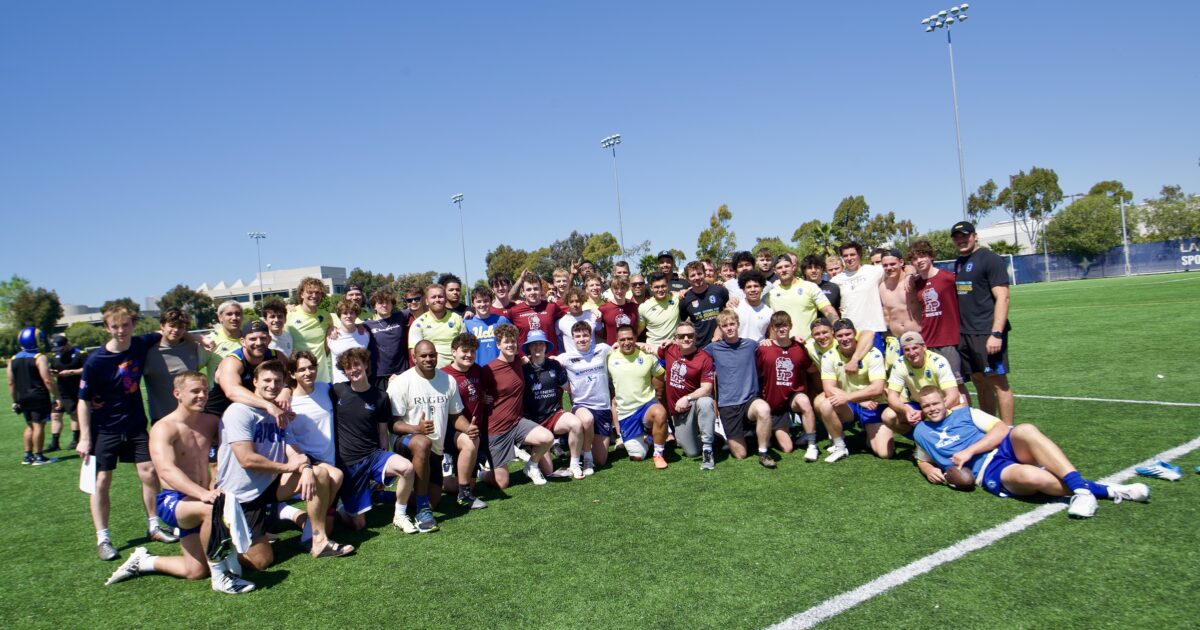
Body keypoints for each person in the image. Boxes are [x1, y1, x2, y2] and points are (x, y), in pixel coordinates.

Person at [104, 371, 256, 594]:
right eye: (195, 391)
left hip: (201, 496)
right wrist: (202, 494)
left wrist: (214, 482)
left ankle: (144, 562)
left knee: (194, 570)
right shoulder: (164, 428)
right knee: (212, 510)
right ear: (177, 394)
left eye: (204, 391)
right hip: (173, 501)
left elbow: (223, 455)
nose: (202, 396)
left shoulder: (211, 422)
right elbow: (166, 470)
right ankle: (222, 577)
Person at [911, 387, 1149, 518]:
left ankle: (1080, 489)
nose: (932, 409)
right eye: (926, 406)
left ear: (945, 401)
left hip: (1002, 447)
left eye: (935, 403)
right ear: (921, 409)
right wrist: (928, 468)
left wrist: (968, 451)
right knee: (1034, 477)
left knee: (1025, 430)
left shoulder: (966, 413)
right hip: (989, 470)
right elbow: (922, 458)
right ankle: (1106, 490)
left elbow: (1002, 429)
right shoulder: (921, 432)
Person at [217, 360, 352, 565]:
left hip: (269, 484)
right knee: (262, 562)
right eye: (267, 380)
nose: (272, 385)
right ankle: (225, 538)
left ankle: (316, 539)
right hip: (242, 495)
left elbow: (292, 448)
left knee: (324, 473)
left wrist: (305, 467)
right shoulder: (239, 411)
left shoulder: (278, 413)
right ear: (254, 381)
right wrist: (288, 467)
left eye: (277, 381)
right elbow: (246, 459)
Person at [77, 306, 177, 561]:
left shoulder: (140, 344)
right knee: (101, 483)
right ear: (107, 328)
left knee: (150, 473)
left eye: (125, 326)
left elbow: (166, 332)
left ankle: (154, 525)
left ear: (133, 325)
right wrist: (85, 437)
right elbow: (83, 400)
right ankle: (103, 538)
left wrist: (197, 337)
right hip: (105, 430)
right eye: (115, 326)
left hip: (135, 426)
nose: (121, 331)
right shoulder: (96, 361)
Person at [387, 341, 470, 532]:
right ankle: (422, 510)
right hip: (407, 443)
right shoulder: (401, 382)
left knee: (435, 501)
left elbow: (455, 416)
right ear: (414, 357)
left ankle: (388, 497)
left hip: (435, 449)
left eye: (431, 355)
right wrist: (417, 428)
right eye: (423, 356)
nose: (428, 359)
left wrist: (469, 428)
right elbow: (393, 424)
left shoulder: (447, 380)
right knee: (422, 442)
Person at [951, 221, 1014, 424]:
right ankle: (990, 427)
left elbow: (1003, 297)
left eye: (965, 235)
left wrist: (996, 333)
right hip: (966, 333)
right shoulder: (959, 262)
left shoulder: (990, 259)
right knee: (979, 381)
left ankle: (1007, 432)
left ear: (975, 236)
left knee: (998, 382)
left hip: (987, 333)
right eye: (957, 237)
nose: (961, 240)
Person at [479, 324, 555, 489]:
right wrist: (482, 397)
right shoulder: (488, 370)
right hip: (496, 429)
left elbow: (537, 359)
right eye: (506, 342)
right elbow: (476, 392)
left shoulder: (519, 362)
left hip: (517, 423)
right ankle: (482, 473)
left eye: (513, 341)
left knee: (547, 438)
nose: (510, 345)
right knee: (502, 483)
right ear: (498, 344)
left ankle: (531, 466)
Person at [706, 311, 776, 468]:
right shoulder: (713, 348)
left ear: (738, 324)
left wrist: (787, 340)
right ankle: (741, 434)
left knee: (764, 409)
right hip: (727, 404)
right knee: (740, 454)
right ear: (720, 328)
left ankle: (763, 453)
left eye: (732, 324)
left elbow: (774, 350)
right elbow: (695, 358)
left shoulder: (751, 345)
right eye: (725, 326)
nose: (729, 328)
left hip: (749, 400)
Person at [814, 318, 890, 463]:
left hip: (874, 404)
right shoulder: (829, 356)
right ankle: (840, 446)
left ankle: (868, 433)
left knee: (884, 453)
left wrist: (851, 397)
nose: (845, 339)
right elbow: (829, 389)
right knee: (824, 404)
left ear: (855, 333)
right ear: (835, 337)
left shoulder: (873, 354)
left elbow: (878, 388)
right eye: (840, 336)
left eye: (848, 334)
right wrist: (857, 400)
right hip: (850, 405)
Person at [907, 240, 969, 405]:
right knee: (937, 385)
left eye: (922, 256)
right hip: (928, 340)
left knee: (957, 385)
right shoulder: (916, 283)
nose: (919, 261)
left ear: (931, 256)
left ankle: (966, 419)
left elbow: (969, 295)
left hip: (949, 340)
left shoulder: (948, 278)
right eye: (914, 259)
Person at [520, 330, 588, 479]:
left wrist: (574, 405)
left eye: (541, 344)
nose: (538, 347)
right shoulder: (522, 369)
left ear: (546, 346)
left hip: (553, 415)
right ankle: (526, 454)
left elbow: (568, 389)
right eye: (534, 344)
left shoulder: (554, 365)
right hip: (533, 422)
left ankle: (575, 464)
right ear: (529, 348)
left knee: (576, 424)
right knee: (547, 470)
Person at [757, 312, 820, 461]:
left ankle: (812, 445)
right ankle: (771, 430)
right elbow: (757, 372)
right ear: (772, 328)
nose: (782, 329)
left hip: (792, 397)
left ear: (790, 326)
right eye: (777, 326)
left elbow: (811, 368)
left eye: (784, 325)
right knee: (787, 447)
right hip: (773, 404)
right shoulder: (764, 349)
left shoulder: (798, 348)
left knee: (804, 400)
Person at [203, 320, 290, 426]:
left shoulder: (277, 357)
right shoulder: (232, 361)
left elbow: (291, 380)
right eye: (252, 339)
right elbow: (232, 391)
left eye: (263, 338)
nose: (258, 343)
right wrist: (269, 406)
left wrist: (286, 390)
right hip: (218, 416)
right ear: (243, 341)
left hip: (253, 415)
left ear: (269, 339)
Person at [606, 325, 670, 468]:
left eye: (630, 338)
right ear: (617, 340)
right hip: (626, 413)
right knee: (637, 456)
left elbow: (660, 374)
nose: (627, 342)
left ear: (635, 338)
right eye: (622, 339)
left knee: (660, 412)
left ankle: (658, 454)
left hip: (646, 406)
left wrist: (658, 397)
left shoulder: (647, 356)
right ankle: (649, 439)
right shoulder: (609, 358)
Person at [656, 321, 717, 470]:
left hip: (692, 404)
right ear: (676, 338)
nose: (686, 339)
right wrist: (622, 345)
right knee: (691, 452)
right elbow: (649, 348)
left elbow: (707, 388)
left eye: (690, 335)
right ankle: (710, 438)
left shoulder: (704, 357)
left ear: (695, 337)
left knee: (705, 401)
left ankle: (708, 450)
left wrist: (687, 398)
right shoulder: (669, 349)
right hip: (679, 413)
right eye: (682, 336)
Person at [558, 321, 614, 471]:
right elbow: (548, 362)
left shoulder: (602, 349)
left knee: (601, 460)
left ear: (591, 336)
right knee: (587, 420)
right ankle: (587, 457)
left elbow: (620, 351)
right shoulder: (566, 357)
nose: (582, 339)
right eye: (578, 336)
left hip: (603, 408)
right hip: (581, 405)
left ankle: (583, 448)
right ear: (572, 339)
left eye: (585, 335)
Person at [881, 331, 961, 435]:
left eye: (915, 348)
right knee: (888, 416)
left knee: (961, 412)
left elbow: (953, 396)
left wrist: (926, 413)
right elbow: (892, 397)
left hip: (943, 403)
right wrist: (906, 410)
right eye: (907, 350)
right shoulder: (900, 364)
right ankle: (919, 439)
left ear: (924, 347)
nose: (912, 353)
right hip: (919, 404)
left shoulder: (938, 361)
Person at [441, 333, 488, 509]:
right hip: (451, 432)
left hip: (475, 429)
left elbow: (484, 390)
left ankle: (455, 485)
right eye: (465, 351)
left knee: (465, 483)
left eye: (473, 352)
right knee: (470, 441)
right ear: (453, 352)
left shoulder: (477, 370)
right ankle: (464, 494)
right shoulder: (444, 376)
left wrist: (485, 397)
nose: (469, 355)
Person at [143, 307, 210, 424]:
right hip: (162, 418)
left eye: (180, 327)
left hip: (192, 416)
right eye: (172, 325)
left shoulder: (193, 347)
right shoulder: (148, 352)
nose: (176, 330)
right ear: (162, 325)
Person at [830, 242, 887, 372]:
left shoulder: (874, 271)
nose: (849, 258)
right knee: (853, 372)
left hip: (873, 330)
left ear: (859, 255)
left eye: (852, 254)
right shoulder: (836, 280)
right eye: (845, 255)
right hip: (849, 334)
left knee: (877, 373)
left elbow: (904, 268)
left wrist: (910, 274)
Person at [9, 326, 57, 465]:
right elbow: (47, 380)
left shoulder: (12, 359)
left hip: (22, 397)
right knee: (39, 425)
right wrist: (57, 396)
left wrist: (14, 401)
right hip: (38, 396)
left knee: (30, 425)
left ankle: (27, 456)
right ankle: (39, 456)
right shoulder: (39, 357)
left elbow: (11, 383)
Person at [765, 254, 838, 340]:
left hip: (809, 344)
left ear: (793, 267)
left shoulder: (810, 287)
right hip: (784, 346)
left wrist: (838, 327)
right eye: (780, 268)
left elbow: (827, 310)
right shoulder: (771, 294)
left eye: (787, 266)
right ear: (775, 271)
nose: (784, 270)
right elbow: (772, 323)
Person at [878, 248, 920, 368]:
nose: (889, 268)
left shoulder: (912, 280)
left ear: (901, 263)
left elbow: (913, 268)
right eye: (885, 265)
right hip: (896, 340)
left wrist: (910, 273)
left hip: (916, 338)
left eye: (892, 264)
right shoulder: (882, 287)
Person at [287, 277, 333, 381]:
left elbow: (347, 324)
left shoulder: (327, 316)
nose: (314, 296)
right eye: (310, 292)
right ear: (302, 294)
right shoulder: (289, 314)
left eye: (318, 293)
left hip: (321, 376)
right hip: (298, 376)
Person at [408, 283, 465, 368]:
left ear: (445, 299)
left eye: (440, 296)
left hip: (456, 371)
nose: (437, 299)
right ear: (427, 301)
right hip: (431, 373)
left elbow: (464, 347)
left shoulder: (457, 319)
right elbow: (415, 355)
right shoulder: (418, 324)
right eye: (433, 297)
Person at [508, 271, 565, 355]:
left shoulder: (551, 307)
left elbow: (568, 322)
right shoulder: (514, 311)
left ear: (541, 289)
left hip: (550, 359)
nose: (532, 292)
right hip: (526, 362)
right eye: (528, 289)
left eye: (536, 288)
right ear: (523, 291)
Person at [364, 287, 410, 390]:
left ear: (392, 305)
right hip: (378, 374)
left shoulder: (400, 316)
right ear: (374, 306)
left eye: (388, 302)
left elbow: (418, 305)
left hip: (401, 372)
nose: (384, 305)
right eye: (380, 303)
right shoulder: (367, 325)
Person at [679, 261, 729, 349]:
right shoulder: (685, 300)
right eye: (692, 275)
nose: (697, 277)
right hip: (700, 346)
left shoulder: (720, 291)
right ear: (687, 279)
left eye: (699, 273)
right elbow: (682, 322)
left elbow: (729, 311)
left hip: (723, 343)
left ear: (704, 274)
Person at [48, 333, 85, 452]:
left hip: (74, 389)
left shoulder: (80, 354)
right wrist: (52, 372)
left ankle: (75, 439)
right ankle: (54, 443)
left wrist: (71, 372)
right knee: (55, 415)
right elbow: (53, 368)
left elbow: (88, 369)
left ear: (67, 344)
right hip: (60, 391)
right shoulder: (56, 356)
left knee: (74, 415)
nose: (59, 351)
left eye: (61, 348)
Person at [464, 286, 511, 366]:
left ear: (491, 302)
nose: (482, 304)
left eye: (486, 301)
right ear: (473, 304)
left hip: (501, 367)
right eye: (478, 301)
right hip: (477, 369)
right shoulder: (467, 323)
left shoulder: (502, 320)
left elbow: (512, 341)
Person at [328, 299, 370, 383]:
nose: (348, 316)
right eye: (345, 313)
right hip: (340, 384)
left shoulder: (365, 334)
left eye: (351, 313)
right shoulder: (330, 336)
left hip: (361, 382)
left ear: (356, 315)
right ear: (340, 315)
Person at [637, 272, 680, 346]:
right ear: (651, 288)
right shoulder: (643, 307)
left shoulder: (676, 298)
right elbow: (639, 329)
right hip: (653, 350)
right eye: (657, 287)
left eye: (663, 286)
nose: (660, 289)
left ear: (668, 285)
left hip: (673, 348)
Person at [204, 301, 244, 379]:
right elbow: (195, 370)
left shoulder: (251, 340)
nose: (234, 318)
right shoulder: (209, 341)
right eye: (229, 314)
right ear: (220, 318)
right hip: (218, 390)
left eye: (238, 314)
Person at [597, 277, 638, 347]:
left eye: (622, 288)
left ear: (627, 289)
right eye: (616, 288)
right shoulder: (603, 309)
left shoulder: (634, 307)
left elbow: (638, 327)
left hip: (631, 349)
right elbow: (598, 330)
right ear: (611, 290)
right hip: (613, 350)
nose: (619, 291)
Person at [734, 270, 773, 342]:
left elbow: (772, 338)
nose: (753, 290)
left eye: (756, 286)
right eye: (749, 287)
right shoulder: (734, 308)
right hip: (738, 350)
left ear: (762, 288)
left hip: (759, 350)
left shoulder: (769, 312)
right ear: (743, 290)